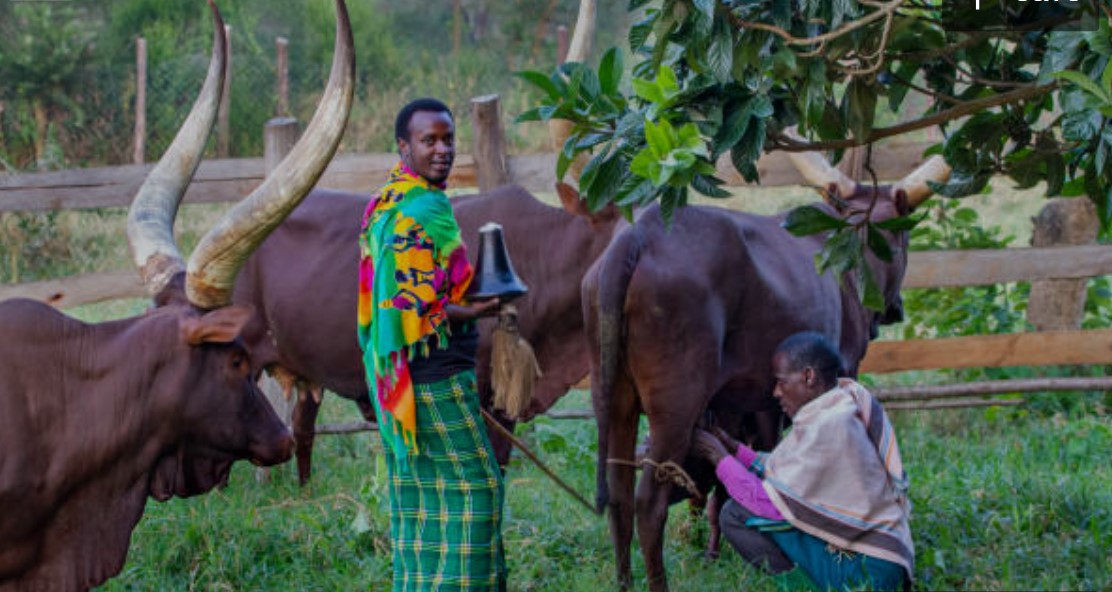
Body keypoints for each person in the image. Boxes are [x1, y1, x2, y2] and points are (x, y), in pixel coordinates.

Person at [358, 97, 506, 591]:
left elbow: (396, 294)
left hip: (397, 378)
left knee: (420, 500)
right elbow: (421, 310)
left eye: (448, 139)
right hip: (436, 376)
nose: (442, 150)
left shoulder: (386, 203)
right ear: (404, 147)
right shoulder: (424, 208)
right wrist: (480, 310)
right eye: (429, 141)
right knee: (479, 491)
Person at [693, 331, 913, 591]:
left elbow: (768, 505)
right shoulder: (838, 406)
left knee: (734, 515)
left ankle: (800, 588)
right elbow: (781, 470)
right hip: (884, 556)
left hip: (870, 571)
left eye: (781, 382)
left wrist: (717, 457)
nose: (776, 392)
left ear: (808, 377)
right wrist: (733, 448)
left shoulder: (829, 425)